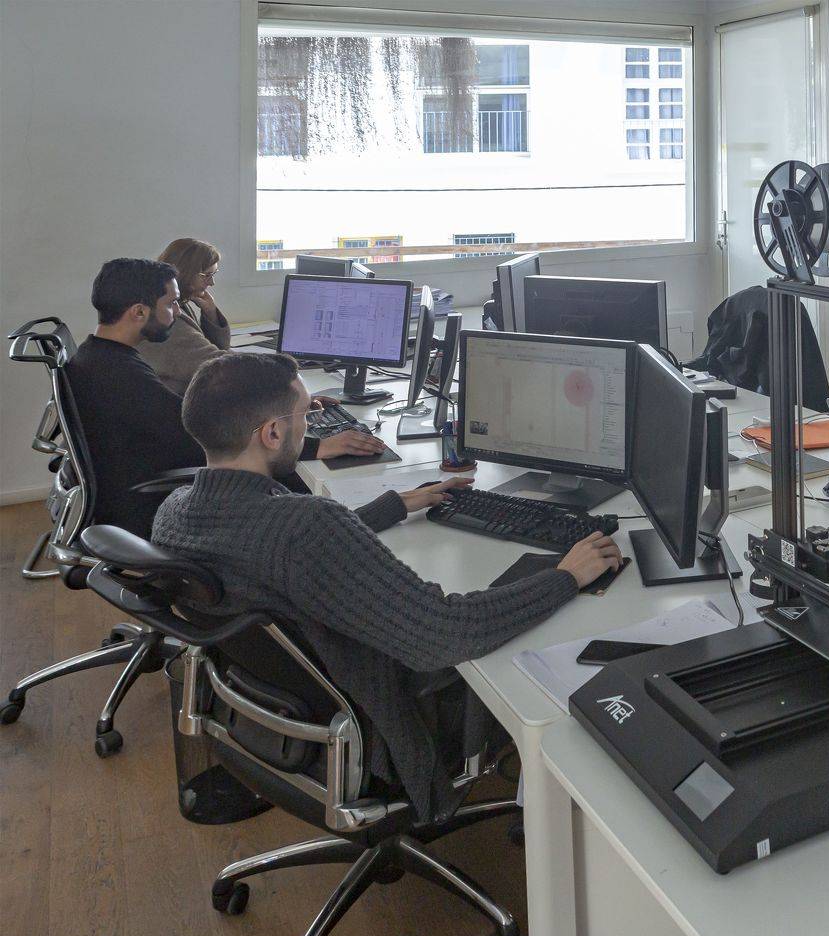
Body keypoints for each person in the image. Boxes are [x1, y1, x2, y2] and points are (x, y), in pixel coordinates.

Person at [152, 351, 623, 819]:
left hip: (279, 709)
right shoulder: (306, 527)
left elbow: (276, 547)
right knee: (563, 645)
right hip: (378, 726)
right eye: (304, 416)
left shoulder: (173, 514)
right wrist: (565, 576)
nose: (310, 427)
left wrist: (395, 505)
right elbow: (444, 633)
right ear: (272, 433)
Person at [65, 258, 386, 537]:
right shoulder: (120, 375)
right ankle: (343, 534)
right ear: (138, 312)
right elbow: (203, 433)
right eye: (171, 304)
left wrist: (288, 410)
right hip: (151, 505)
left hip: (136, 485)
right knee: (292, 473)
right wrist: (317, 446)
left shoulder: (97, 357)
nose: (177, 312)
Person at [138, 237, 231, 395]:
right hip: (173, 405)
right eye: (206, 275)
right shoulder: (164, 315)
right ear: (186, 273)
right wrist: (271, 366)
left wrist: (211, 313)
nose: (212, 283)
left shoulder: (178, 303)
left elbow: (218, 349)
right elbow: (215, 366)